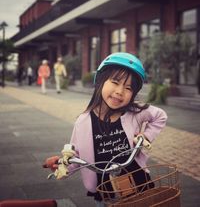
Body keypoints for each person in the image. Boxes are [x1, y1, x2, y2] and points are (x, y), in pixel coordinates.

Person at [44, 52, 167, 207]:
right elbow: (78, 154)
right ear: (101, 81)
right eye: (115, 82)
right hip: (105, 191)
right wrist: (63, 164)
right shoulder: (83, 122)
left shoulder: (135, 112)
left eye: (128, 88)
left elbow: (160, 116)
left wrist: (146, 136)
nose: (120, 91)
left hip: (138, 182)